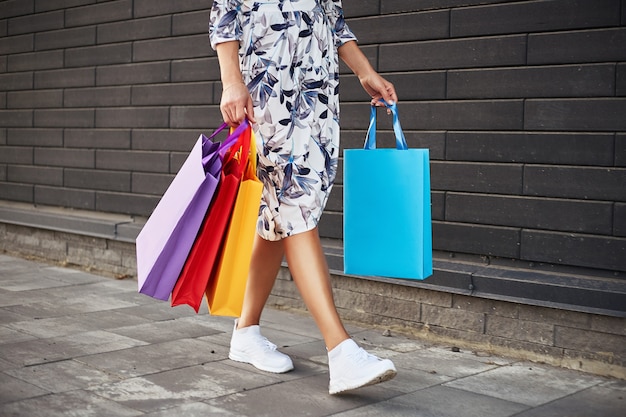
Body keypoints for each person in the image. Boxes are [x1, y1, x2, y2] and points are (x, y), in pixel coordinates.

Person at [209, 0, 398, 395]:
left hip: (318, 99)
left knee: (279, 217)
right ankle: (341, 349)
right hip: (267, 97)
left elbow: (334, 23)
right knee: (294, 209)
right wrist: (231, 80)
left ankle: (245, 331)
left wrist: (366, 73)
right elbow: (224, 15)